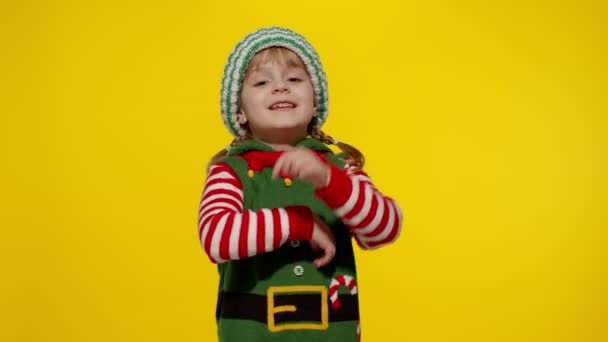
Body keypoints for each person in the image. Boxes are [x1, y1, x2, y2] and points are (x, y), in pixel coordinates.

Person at [197, 26, 403, 342]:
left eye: (294, 80)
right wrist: (298, 223)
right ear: (239, 112)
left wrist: (329, 181)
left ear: (315, 102)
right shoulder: (231, 171)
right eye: (263, 82)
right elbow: (216, 237)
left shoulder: (337, 168)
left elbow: (385, 228)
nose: (281, 88)